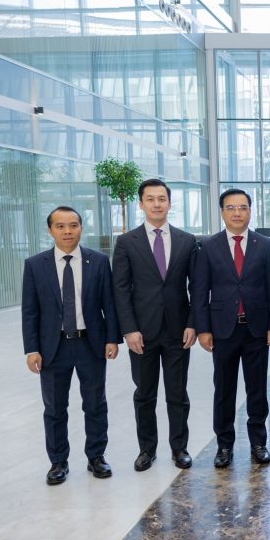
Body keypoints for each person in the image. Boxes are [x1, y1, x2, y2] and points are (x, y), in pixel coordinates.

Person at [21, 207, 120, 484]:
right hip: (52, 348)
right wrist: (31, 349)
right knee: (54, 408)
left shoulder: (98, 261)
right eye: (61, 226)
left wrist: (112, 338)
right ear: (50, 230)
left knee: (95, 404)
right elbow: (30, 311)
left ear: (81, 228)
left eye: (73, 225)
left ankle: (96, 456)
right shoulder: (35, 265)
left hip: (91, 344)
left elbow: (109, 304)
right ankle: (58, 462)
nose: (67, 231)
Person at [112, 179, 199, 471]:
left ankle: (179, 448)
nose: (157, 204)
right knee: (144, 394)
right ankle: (147, 450)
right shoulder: (127, 242)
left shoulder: (187, 241)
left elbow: (197, 287)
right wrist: (129, 329)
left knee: (178, 394)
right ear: (141, 204)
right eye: (150, 199)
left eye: (162, 199)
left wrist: (193, 323)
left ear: (169, 203)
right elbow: (120, 289)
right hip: (142, 333)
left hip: (178, 331)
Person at [193, 189, 270, 468]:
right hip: (223, 329)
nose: (237, 213)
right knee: (224, 390)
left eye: (242, 207)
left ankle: (258, 443)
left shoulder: (264, 244)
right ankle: (224, 445)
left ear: (250, 211)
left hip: (256, 329)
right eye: (230, 207)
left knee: (257, 390)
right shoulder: (208, 246)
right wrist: (203, 329)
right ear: (222, 212)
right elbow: (199, 291)